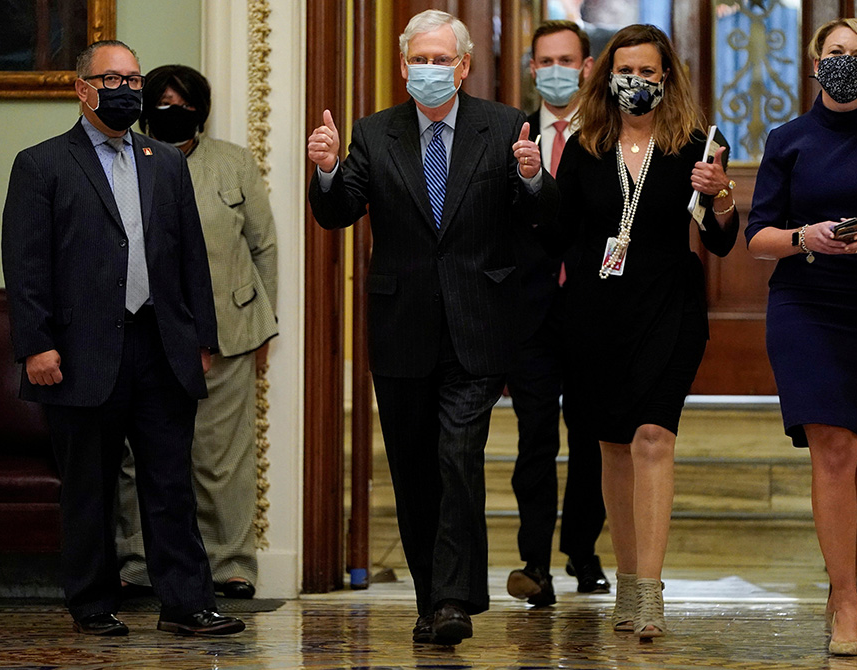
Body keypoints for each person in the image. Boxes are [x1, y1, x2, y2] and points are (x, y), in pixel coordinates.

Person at [307, 9, 558, 646]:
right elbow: (338, 213)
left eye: (440, 59)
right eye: (418, 59)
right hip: (401, 330)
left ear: (464, 66)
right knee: (416, 470)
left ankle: (451, 600)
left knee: (456, 457)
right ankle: (434, 598)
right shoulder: (373, 132)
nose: (429, 70)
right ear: (402, 65)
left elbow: (546, 220)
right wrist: (328, 169)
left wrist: (532, 178)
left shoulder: (504, 127)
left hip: (478, 328)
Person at [0, 40, 244, 636]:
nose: (128, 90)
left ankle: (186, 604)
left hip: (160, 346)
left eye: (134, 79)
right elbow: (26, 263)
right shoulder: (42, 164)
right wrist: (36, 344)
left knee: (169, 483)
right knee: (90, 486)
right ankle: (91, 604)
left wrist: (201, 339)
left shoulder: (164, 159)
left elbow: (191, 258)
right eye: (113, 79)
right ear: (82, 89)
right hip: (80, 352)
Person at [541, 24, 738, 639]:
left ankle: (650, 592)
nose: (637, 82)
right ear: (606, 77)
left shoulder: (697, 145)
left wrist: (723, 194)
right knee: (614, 446)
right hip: (595, 316)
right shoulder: (585, 146)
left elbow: (721, 239)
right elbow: (554, 235)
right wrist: (530, 182)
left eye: (649, 72)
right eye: (626, 71)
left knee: (653, 435)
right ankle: (626, 581)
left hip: (670, 309)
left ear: (667, 78)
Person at [746, 19, 857, 656]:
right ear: (815, 61)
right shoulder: (787, 139)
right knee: (836, 448)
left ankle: (838, 583)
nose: (843, 63)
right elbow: (759, 236)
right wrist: (807, 237)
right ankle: (845, 598)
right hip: (807, 304)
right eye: (833, 53)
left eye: (856, 55)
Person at [115, 65, 278, 600]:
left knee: (219, 459)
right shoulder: (124, 160)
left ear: (200, 108)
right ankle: (139, 563)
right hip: (145, 335)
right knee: (141, 460)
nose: (170, 109)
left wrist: (263, 326)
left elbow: (263, 246)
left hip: (228, 336)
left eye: (181, 101)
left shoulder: (233, 163)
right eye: (160, 100)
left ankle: (230, 564)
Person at [505, 19, 608, 609]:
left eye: (566, 60)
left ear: (588, 66)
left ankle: (583, 551)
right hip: (529, 313)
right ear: (532, 68)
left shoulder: (607, 136)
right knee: (534, 441)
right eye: (544, 61)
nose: (555, 71)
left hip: (593, 308)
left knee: (591, 439)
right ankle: (535, 563)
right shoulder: (508, 134)